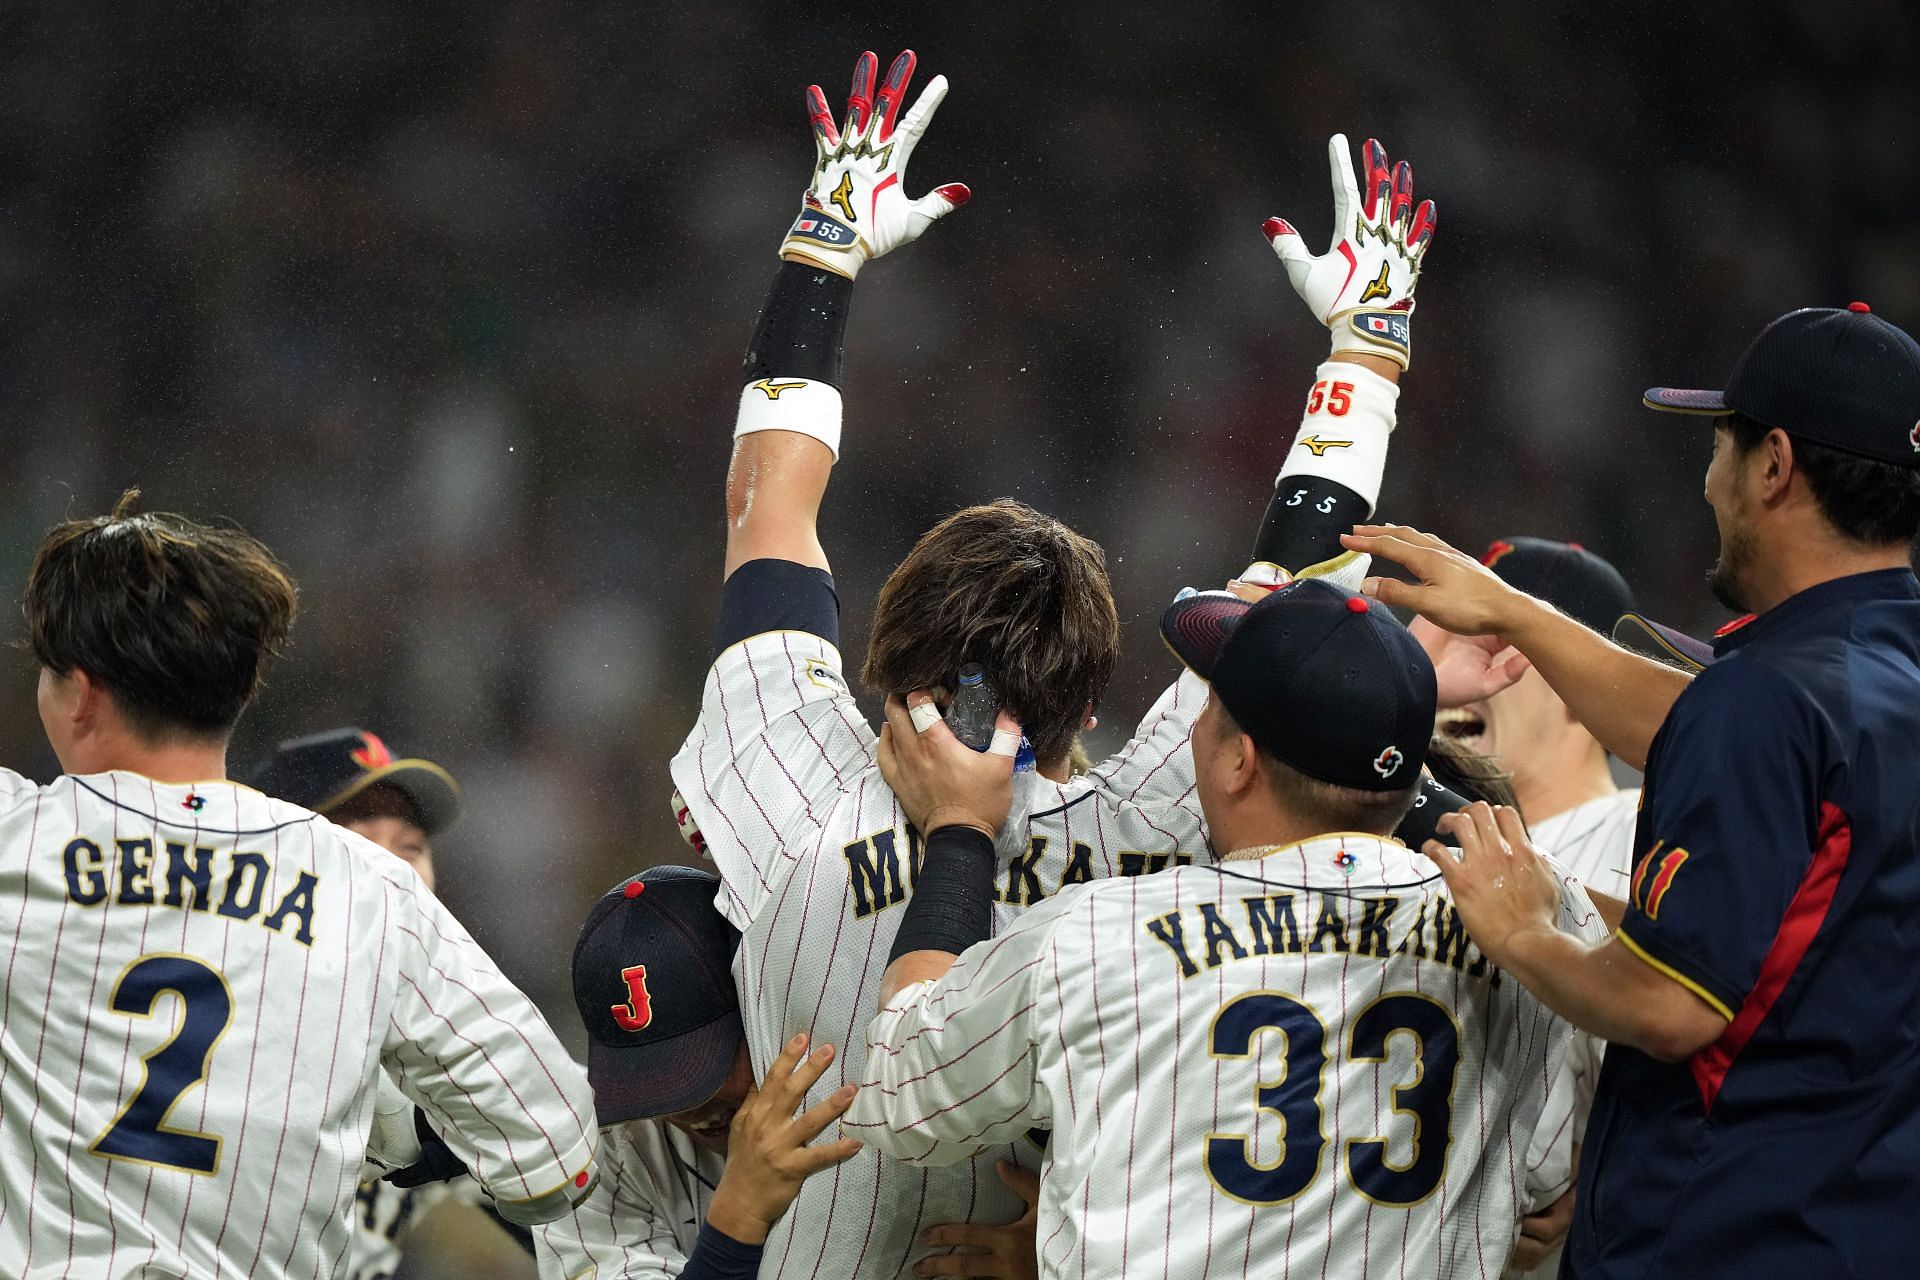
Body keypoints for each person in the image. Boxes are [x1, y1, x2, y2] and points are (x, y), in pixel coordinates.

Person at [668, 46, 1438, 1277]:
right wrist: (1367, 348)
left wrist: (823, 247)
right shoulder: (1161, 822)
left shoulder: (788, 785)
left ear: (881, 657)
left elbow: (766, 505)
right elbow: (1300, 592)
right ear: (1091, 696)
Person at [1343, 302, 1920, 1276]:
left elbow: (1668, 1006)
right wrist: (1515, 613)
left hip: (1725, 1235)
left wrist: (1522, 927)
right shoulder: (1869, 676)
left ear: (1773, 464)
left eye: (1720, 446)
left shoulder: (1767, 699)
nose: (1708, 480)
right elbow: (1714, 731)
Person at [847, 579, 1606, 1277]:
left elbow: (900, 1089)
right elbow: (1540, 1182)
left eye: (1212, 704)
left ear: (1240, 760)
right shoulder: (1538, 927)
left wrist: (957, 830)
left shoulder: (1096, 935)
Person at [0, 492, 597, 1278]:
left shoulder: (17, 838)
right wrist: (356, 1108)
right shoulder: (372, 888)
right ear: (237, 693)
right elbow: (557, 1156)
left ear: (79, 692)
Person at [535, 864, 1040, 1280]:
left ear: (764, 1001)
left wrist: (1065, 1253)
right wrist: (736, 1221)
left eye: (701, 1066)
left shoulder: (896, 1059)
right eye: (650, 1083)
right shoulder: (601, 1155)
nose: (689, 1108)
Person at [1420, 538, 1641, 1278]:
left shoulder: (1644, 827)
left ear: (1586, 681)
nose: (1464, 676)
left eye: (1498, 648)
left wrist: (1604, 1165)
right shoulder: (1402, 831)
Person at [248, 726, 519, 1280]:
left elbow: (589, 1212)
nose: (397, 873)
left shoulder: (442, 1047)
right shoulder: (227, 1025)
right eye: (359, 842)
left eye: (411, 848)